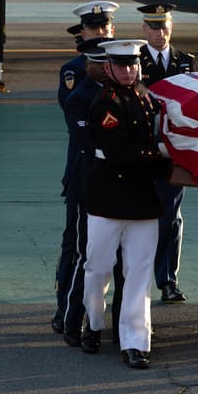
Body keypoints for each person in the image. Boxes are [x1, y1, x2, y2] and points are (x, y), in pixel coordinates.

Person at [82, 39, 169, 369]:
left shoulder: (146, 97)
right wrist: (162, 155)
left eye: (133, 65)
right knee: (98, 268)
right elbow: (119, 153)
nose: (129, 71)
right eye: (122, 65)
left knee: (138, 273)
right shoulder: (105, 102)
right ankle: (92, 323)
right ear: (109, 68)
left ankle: (135, 340)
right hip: (108, 196)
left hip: (142, 199)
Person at [52, 0, 118, 334]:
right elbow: (74, 111)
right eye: (94, 28)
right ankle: (65, 307)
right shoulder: (74, 71)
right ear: (83, 34)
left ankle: (105, 315)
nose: (101, 33)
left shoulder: (123, 67)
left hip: (112, 174)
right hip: (83, 167)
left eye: (105, 27)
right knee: (75, 244)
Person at [60, 37, 125, 348]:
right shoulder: (80, 97)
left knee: (117, 260)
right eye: (98, 63)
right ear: (87, 64)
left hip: (115, 184)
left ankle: (116, 322)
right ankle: (72, 318)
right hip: (89, 184)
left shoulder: (118, 94)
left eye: (106, 63)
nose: (103, 68)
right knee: (85, 256)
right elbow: (89, 143)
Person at [137, 3, 196, 303]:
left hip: (174, 154)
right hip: (142, 153)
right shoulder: (134, 62)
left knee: (171, 218)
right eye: (154, 27)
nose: (161, 32)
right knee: (137, 217)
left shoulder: (186, 62)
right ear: (144, 29)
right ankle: (135, 280)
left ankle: (168, 281)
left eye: (165, 26)